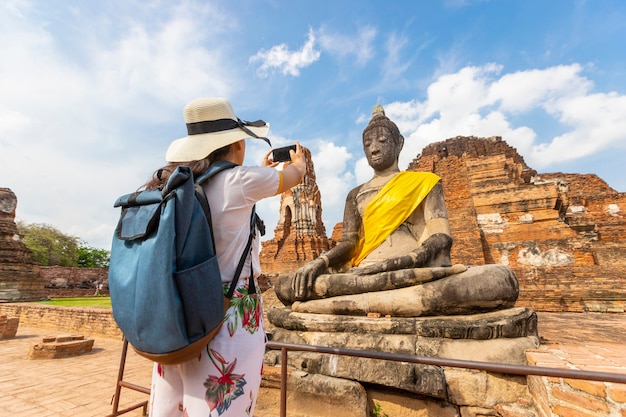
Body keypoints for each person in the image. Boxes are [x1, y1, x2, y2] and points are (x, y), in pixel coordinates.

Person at [274, 104, 518, 316]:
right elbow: (349, 243)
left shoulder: (425, 182)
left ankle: (330, 308)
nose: (374, 148)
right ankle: (389, 304)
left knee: (497, 280)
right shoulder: (355, 194)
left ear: (399, 143)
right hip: (364, 276)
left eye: (382, 141)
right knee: (287, 285)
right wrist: (319, 262)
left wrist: (410, 259)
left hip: (410, 274)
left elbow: (441, 237)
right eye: (367, 143)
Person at [146, 97, 306, 417]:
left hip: (174, 311)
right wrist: (299, 159)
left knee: (169, 407)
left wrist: (260, 171)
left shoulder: (173, 183)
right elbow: (296, 176)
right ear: (236, 143)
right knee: (220, 408)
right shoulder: (241, 181)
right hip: (228, 312)